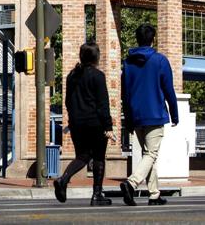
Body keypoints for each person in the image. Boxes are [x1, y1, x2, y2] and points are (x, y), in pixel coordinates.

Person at [119, 23, 179, 206]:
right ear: (153, 39)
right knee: (151, 154)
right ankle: (131, 183)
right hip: (155, 113)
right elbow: (168, 90)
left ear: (137, 39)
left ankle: (154, 194)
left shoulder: (128, 63)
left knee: (148, 154)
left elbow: (124, 94)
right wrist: (175, 114)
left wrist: (128, 118)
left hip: (136, 115)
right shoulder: (160, 60)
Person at [53, 42, 115, 206]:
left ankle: (64, 178)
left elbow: (68, 102)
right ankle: (97, 194)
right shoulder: (98, 76)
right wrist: (108, 126)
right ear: (96, 57)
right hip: (95, 123)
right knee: (99, 157)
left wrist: (72, 120)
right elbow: (103, 104)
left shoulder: (71, 76)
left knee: (82, 156)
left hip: (77, 124)